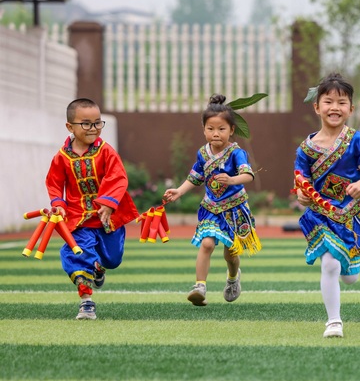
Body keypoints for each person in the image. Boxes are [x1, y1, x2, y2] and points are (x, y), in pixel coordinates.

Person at [294, 73, 360, 338]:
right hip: (321, 217)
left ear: (351, 109)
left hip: (352, 216)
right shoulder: (306, 149)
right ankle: (334, 321)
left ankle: (351, 264)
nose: (335, 107)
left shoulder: (357, 140)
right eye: (328, 101)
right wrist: (302, 195)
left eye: (341, 102)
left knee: (350, 276)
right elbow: (300, 182)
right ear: (317, 107)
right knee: (329, 264)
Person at [163, 94, 261, 306]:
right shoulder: (202, 153)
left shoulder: (236, 153)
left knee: (231, 253)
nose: (215, 134)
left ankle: (233, 278)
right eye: (210, 129)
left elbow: (248, 175)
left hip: (235, 209)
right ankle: (200, 286)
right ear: (204, 129)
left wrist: (232, 179)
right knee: (206, 244)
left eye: (221, 129)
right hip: (211, 209)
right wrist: (179, 191)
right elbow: (195, 178)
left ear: (231, 130)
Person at [46, 98, 139, 320]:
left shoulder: (106, 151)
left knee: (113, 260)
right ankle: (86, 302)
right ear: (70, 127)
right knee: (78, 253)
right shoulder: (61, 157)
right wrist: (58, 205)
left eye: (98, 123)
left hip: (108, 219)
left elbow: (118, 177)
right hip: (78, 219)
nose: (93, 128)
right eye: (86, 124)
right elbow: (54, 183)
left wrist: (107, 204)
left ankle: (100, 268)